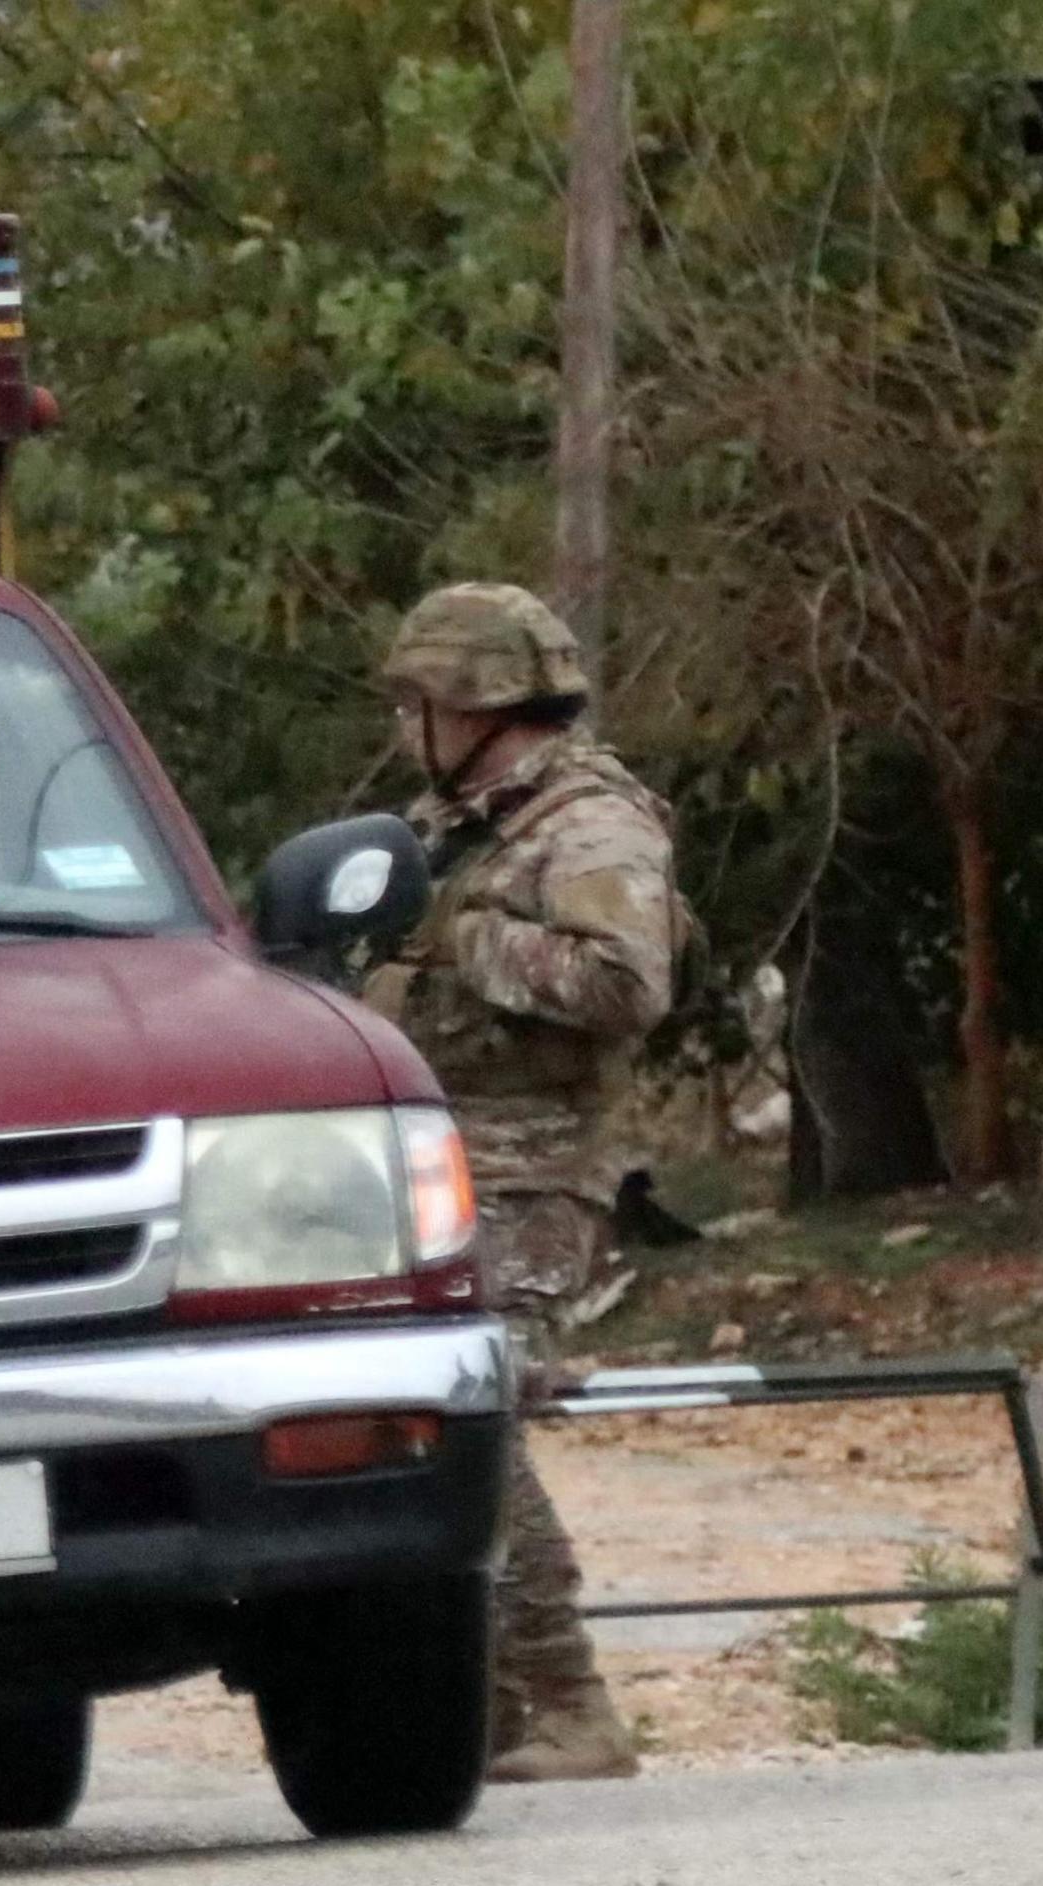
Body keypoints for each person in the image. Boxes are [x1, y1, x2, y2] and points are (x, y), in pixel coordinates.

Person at [363, 584, 683, 1785]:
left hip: (537, 1168)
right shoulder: (454, 825)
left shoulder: (589, 829)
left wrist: (463, 937)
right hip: (427, 1166)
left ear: (476, 707)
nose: (408, 730)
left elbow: (625, 984)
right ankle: (489, 1705)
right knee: (408, 1405)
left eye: (418, 705)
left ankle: (569, 1699)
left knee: (471, 1403)